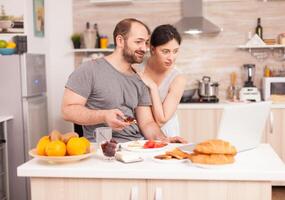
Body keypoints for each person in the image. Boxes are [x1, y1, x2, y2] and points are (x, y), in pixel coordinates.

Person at [61, 18, 186, 143]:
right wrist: (103, 116)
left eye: (146, 42)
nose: (144, 48)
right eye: (138, 42)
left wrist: (164, 140)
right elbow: (67, 111)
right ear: (120, 41)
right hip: (103, 149)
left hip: (136, 148)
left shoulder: (139, 79)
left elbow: (147, 123)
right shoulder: (90, 70)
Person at [136, 24, 186, 137]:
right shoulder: (138, 66)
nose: (171, 58)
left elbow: (161, 120)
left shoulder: (178, 79)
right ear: (152, 49)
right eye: (165, 51)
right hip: (139, 132)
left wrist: (152, 87)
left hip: (166, 134)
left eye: (175, 51)